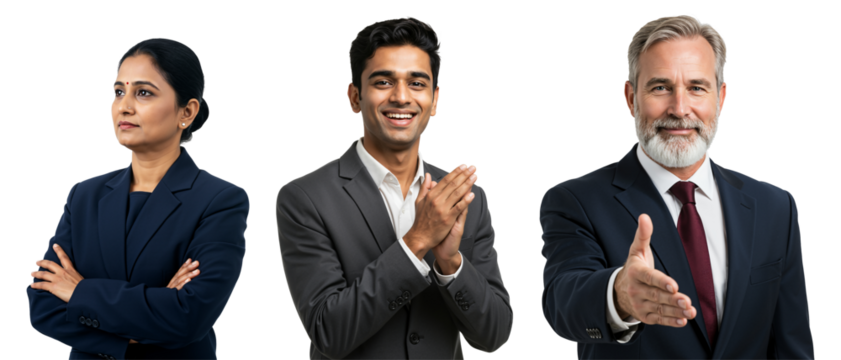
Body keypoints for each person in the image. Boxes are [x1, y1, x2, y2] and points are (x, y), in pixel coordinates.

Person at [538, 14, 815, 359]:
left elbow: (792, 343)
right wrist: (620, 295)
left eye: (696, 88)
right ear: (630, 98)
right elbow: (562, 300)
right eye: (660, 87)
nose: (680, 109)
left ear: (721, 98)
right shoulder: (576, 201)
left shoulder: (775, 206)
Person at [274, 16, 514, 360]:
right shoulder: (304, 198)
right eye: (383, 82)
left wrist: (450, 262)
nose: (401, 97)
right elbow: (328, 332)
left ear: (435, 100)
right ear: (354, 96)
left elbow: (494, 335)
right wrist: (418, 240)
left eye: (417, 83)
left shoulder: (467, 199)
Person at [25, 37, 250, 360]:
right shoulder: (84, 195)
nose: (124, 106)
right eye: (118, 92)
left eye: (143, 92)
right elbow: (42, 306)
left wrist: (78, 292)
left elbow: (188, 317)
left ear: (186, 111)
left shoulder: (221, 200)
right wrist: (138, 331)